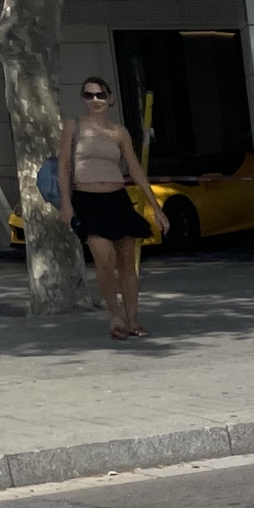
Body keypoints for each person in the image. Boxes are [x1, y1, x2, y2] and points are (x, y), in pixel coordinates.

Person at [59, 76, 164, 338]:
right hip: (87, 199)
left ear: (111, 99)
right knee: (104, 259)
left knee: (128, 263)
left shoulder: (119, 131)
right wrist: (65, 204)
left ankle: (132, 320)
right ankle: (115, 316)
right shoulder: (74, 126)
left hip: (117, 198)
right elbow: (63, 166)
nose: (95, 100)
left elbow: (135, 168)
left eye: (100, 95)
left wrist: (155, 206)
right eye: (88, 95)